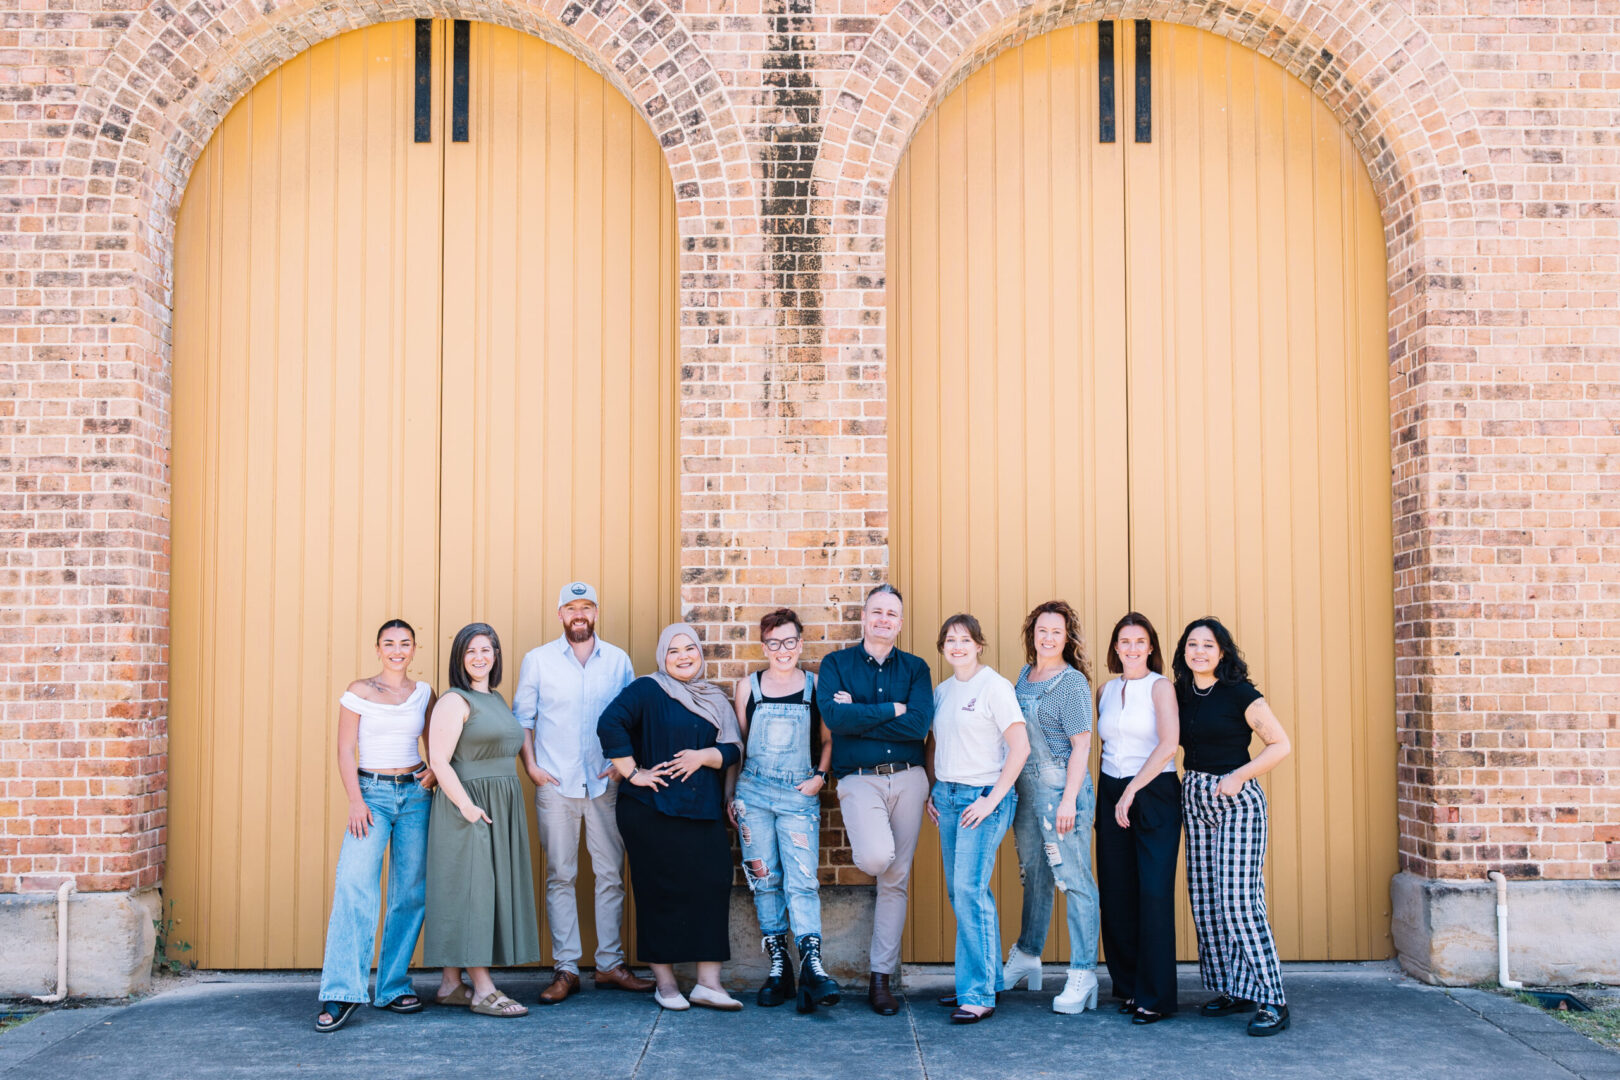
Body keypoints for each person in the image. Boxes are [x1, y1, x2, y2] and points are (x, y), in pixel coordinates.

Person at [513, 581, 652, 1004]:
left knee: (611, 874)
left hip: (605, 784)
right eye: (571, 607)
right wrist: (532, 768)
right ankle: (566, 968)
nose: (579, 614)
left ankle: (610, 964)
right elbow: (524, 719)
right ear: (560, 614)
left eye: (586, 607)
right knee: (561, 875)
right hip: (555, 785)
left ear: (595, 613)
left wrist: (622, 765)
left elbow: (632, 716)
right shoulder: (538, 661)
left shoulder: (618, 661)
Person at [597, 622, 745, 1012]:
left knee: (713, 885)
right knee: (658, 893)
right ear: (663, 656)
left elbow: (733, 749)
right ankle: (665, 985)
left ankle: (708, 984)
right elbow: (609, 723)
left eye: (690, 650)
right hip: (650, 809)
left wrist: (704, 757)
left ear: (700, 653)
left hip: (703, 810)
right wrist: (632, 771)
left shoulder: (714, 698)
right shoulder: (648, 689)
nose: (683, 657)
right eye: (674, 651)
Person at [816, 583, 935, 1015]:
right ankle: (879, 976)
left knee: (895, 881)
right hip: (859, 780)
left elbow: (919, 725)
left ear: (900, 624)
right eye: (877, 612)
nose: (884, 619)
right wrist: (893, 710)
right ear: (863, 618)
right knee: (876, 860)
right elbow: (833, 717)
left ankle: (880, 979)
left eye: (892, 614)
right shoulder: (836, 664)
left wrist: (860, 714)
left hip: (909, 779)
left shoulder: (917, 669)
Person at [315, 619, 437, 1033]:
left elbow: (437, 744)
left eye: (405, 643)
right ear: (378, 648)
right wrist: (355, 800)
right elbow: (345, 749)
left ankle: (392, 986)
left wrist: (434, 773)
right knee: (354, 885)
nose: (397, 650)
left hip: (416, 798)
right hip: (372, 796)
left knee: (409, 892)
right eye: (390, 643)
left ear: (415, 649)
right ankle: (342, 991)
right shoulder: (359, 692)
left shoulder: (423, 693)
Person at [1174, 616, 1292, 1036]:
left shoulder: (1241, 693)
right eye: (1192, 645)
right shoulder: (1180, 693)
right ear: (1183, 651)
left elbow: (1280, 743)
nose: (1199, 652)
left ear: (1222, 652)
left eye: (1208, 645)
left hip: (1236, 800)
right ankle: (1235, 988)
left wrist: (1240, 775)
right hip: (1195, 797)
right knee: (1206, 900)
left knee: (1238, 900)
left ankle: (1272, 997)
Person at [726, 608, 840, 1012]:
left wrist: (820, 778)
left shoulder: (814, 686)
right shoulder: (747, 688)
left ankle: (813, 965)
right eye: (774, 643)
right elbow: (738, 747)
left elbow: (827, 740)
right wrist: (732, 794)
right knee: (764, 878)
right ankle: (780, 967)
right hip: (753, 794)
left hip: (797, 796)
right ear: (764, 646)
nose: (782, 650)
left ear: (801, 643)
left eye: (790, 641)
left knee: (803, 880)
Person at [424, 623, 540, 1018]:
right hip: (468, 806)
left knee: (480, 889)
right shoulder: (454, 701)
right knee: (472, 892)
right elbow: (438, 760)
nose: (479, 657)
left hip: (500, 804)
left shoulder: (496, 698)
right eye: (470, 651)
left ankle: (451, 983)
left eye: (486, 649)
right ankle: (483, 989)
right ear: (459, 658)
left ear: (495, 655)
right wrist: (468, 807)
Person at [925, 613, 1029, 1024]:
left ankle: (979, 992)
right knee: (960, 891)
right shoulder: (943, 691)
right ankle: (981, 980)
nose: (957, 646)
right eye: (950, 639)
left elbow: (1019, 749)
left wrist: (991, 799)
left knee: (969, 889)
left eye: (965, 639)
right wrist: (934, 786)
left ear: (979, 645)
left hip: (984, 798)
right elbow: (934, 743)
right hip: (949, 798)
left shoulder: (995, 687)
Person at [1001, 600, 1102, 1015]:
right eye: (1041, 630)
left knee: (1074, 878)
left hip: (1062, 788)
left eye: (1056, 632)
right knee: (1035, 875)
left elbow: (1082, 746)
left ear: (1067, 637)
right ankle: (1027, 954)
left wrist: (1068, 801)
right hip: (1026, 790)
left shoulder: (1073, 683)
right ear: (1032, 634)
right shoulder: (1023, 677)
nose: (1047, 638)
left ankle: (1083, 972)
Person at [1094, 612, 1181, 1023]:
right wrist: (1111, 794)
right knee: (1117, 893)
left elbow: (1169, 744)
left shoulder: (1160, 687)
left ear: (1151, 647)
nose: (1131, 647)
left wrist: (1132, 790)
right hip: (1112, 791)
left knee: (1153, 894)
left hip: (1153, 793)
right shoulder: (1105, 690)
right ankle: (1129, 987)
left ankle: (1156, 996)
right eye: (1124, 640)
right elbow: (1103, 747)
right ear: (1115, 647)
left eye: (1140, 641)